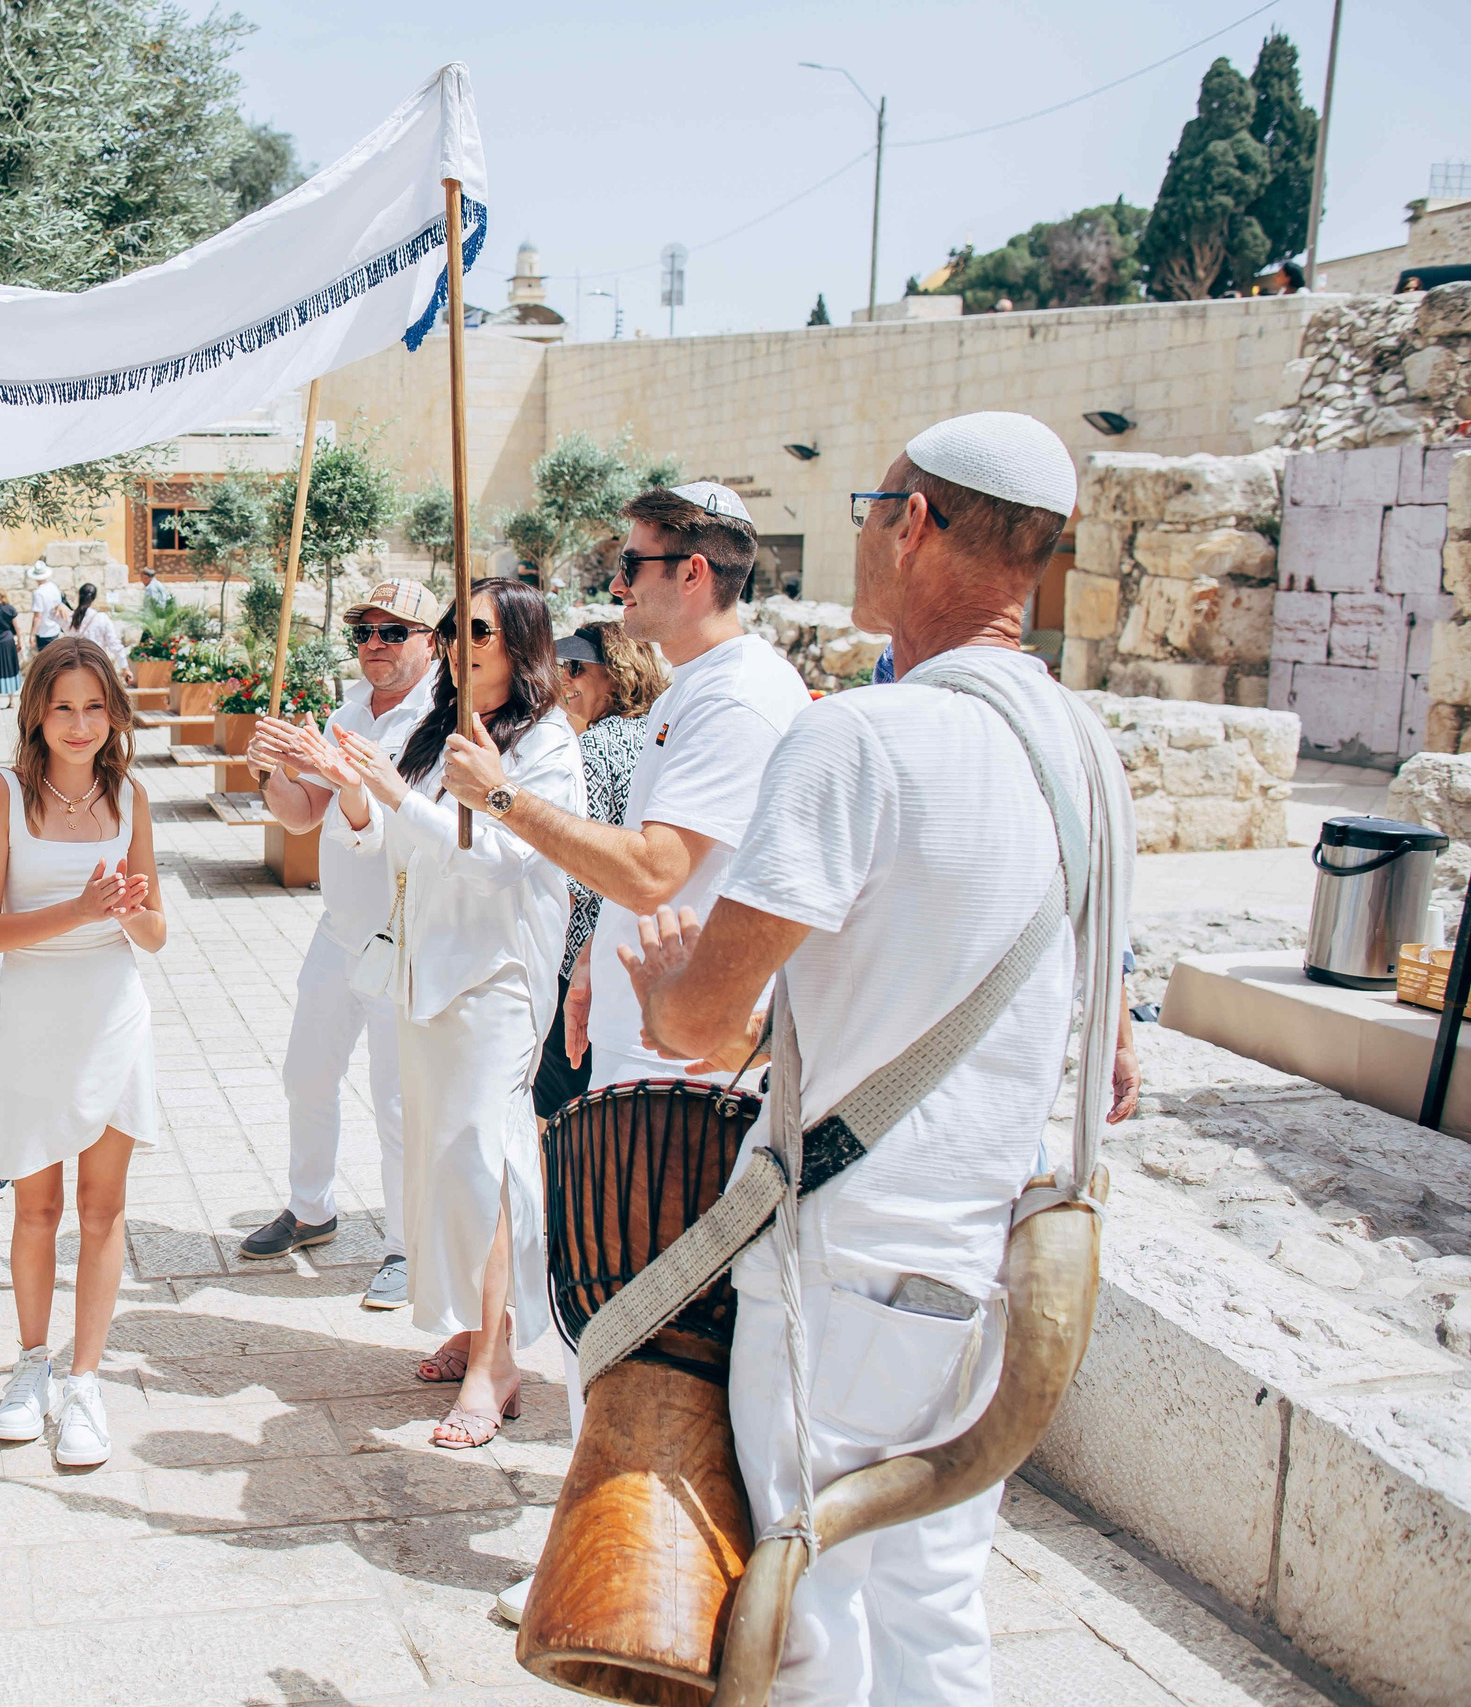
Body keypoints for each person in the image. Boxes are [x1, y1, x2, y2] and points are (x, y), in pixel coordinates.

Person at [616, 411, 1138, 1707]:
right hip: (996, 1264)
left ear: (911, 521)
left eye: (867, 504)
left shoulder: (862, 738)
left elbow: (697, 1024)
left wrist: (671, 975)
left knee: (802, 1621)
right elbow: (1110, 1053)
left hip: (844, 1267)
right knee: (933, 1613)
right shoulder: (1086, 755)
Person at [279, 579, 582, 1449]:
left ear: (522, 643)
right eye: (451, 627)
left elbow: (496, 861)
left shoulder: (544, 746)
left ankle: (499, 1361)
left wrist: (392, 791)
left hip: (496, 982)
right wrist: (351, 787)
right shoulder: (430, 731)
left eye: (476, 627)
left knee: (485, 1168)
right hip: (422, 970)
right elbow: (381, 838)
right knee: (439, 1168)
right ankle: (469, 1322)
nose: (459, 641)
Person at [443, 483, 809, 1104]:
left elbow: (653, 872)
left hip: (682, 1064)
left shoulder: (737, 698)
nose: (617, 586)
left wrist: (501, 798)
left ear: (693, 573)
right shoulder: (694, 687)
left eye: (632, 564)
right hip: (649, 1037)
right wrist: (595, 952)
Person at [0, 636, 166, 1470]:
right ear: (36, 714)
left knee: (102, 1208)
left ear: (113, 713)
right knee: (36, 1206)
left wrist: (119, 910)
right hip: (34, 1011)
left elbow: (154, 935)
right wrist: (81, 907)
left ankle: (85, 1378)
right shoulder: (2, 794)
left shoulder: (134, 799)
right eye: (62, 708)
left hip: (112, 1010)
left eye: (94, 707)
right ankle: (31, 1364)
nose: (79, 724)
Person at [241, 580, 442, 1311]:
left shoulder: (443, 723)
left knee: (396, 1100)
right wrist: (271, 769)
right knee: (306, 1072)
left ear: (432, 639)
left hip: (406, 934)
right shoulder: (346, 713)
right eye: (363, 632)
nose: (374, 645)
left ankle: (404, 1244)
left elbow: (382, 828)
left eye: (393, 631)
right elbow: (301, 819)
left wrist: (336, 774)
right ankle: (311, 1206)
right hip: (341, 929)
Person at [531, 620, 667, 1120]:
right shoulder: (661, 737)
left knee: (557, 1111)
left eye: (576, 667)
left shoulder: (589, 751)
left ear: (617, 675)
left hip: (581, 955)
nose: (564, 679)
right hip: (645, 945)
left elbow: (573, 872)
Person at [72, 581, 126, 672]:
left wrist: (60, 605)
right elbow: (114, 644)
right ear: (94, 598)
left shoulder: (71, 618)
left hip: (76, 666)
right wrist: (125, 667)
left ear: (79, 596)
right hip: (97, 665)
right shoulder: (102, 618)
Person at [27, 562, 68, 655]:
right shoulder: (54, 587)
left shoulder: (38, 593)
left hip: (43, 632)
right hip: (55, 629)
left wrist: (32, 634)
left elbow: (37, 617)